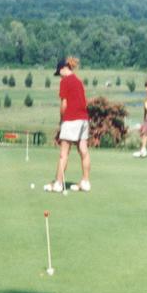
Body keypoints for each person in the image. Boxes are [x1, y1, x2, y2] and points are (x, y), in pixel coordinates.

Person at [44, 56, 91, 193]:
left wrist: (61, 120)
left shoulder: (65, 82)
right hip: (84, 119)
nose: (59, 77)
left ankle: (58, 183)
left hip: (71, 119)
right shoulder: (78, 81)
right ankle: (86, 182)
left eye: (59, 73)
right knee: (84, 151)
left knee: (64, 153)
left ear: (63, 69)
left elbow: (64, 104)